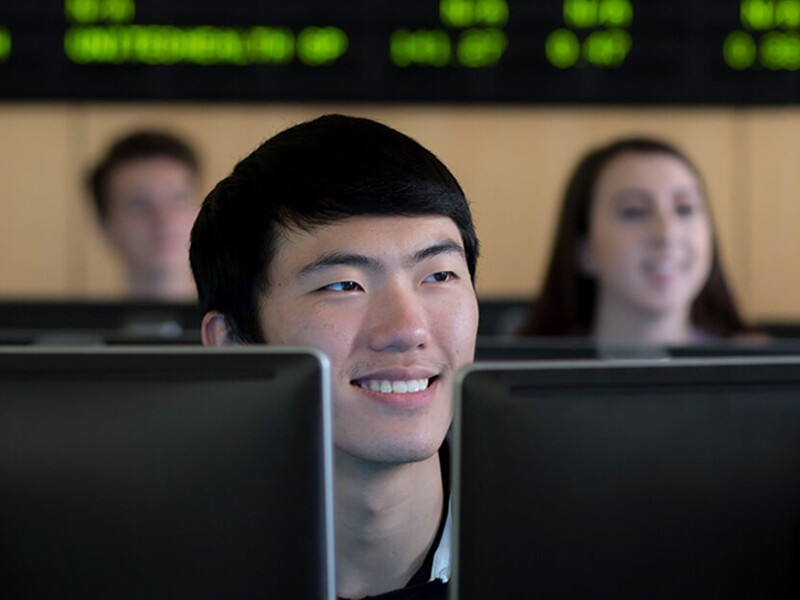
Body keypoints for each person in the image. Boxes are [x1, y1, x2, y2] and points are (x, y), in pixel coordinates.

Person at [189, 114, 479, 599]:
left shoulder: (580, 552)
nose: (407, 330)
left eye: (439, 276)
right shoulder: (141, 561)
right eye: (344, 285)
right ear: (232, 343)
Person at [518, 136, 750, 344]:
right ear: (583, 248)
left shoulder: (753, 373)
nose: (667, 233)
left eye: (684, 209)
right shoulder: (517, 373)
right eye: (634, 211)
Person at [86, 129, 201, 300]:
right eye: (138, 203)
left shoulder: (244, 325)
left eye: (179, 199)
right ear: (105, 227)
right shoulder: (77, 326)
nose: (163, 218)